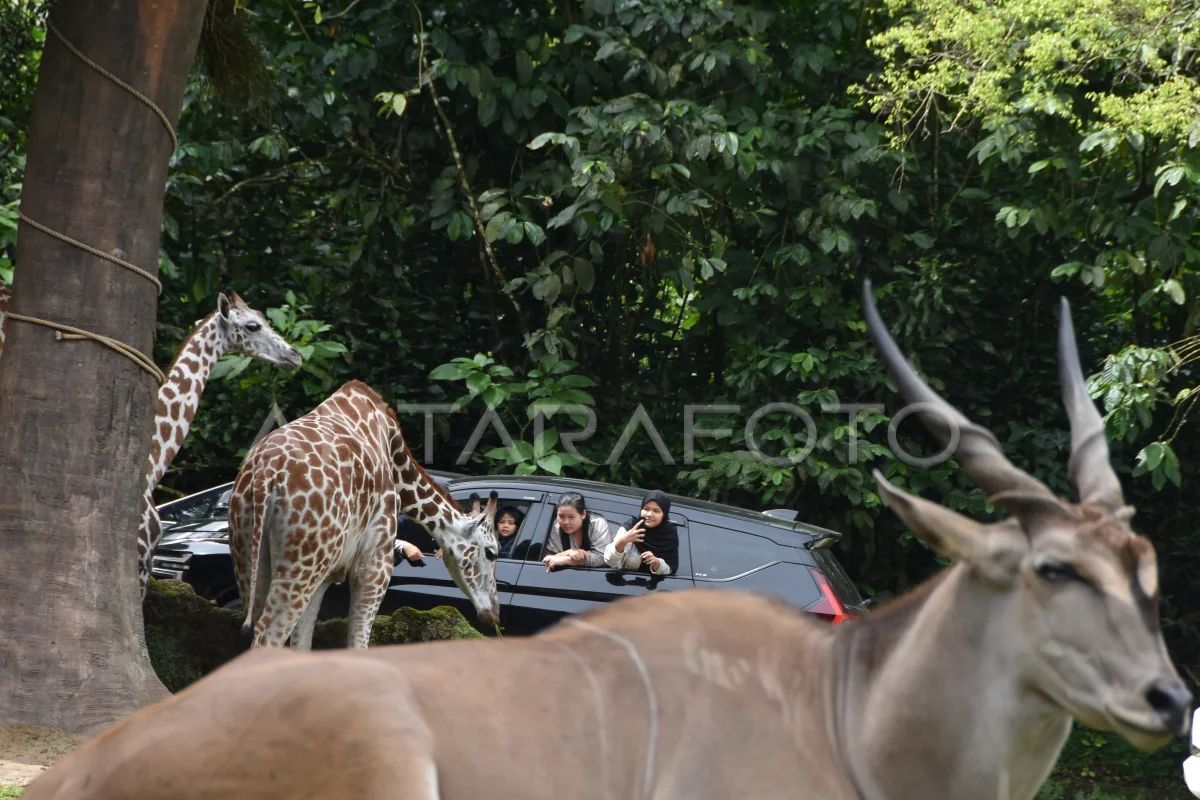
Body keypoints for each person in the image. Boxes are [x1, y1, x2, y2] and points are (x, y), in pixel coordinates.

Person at [604, 490, 678, 576]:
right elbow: (610, 561)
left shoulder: (669, 534)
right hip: (620, 583)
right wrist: (623, 540)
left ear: (664, 514)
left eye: (656, 511)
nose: (649, 514)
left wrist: (656, 562)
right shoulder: (631, 527)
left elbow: (670, 569)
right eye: (646, 509)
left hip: (652, 587)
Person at [541, 492, 612, 571]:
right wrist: (567, 553)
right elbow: (547, 559)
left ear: (583, 514)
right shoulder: (556, 526)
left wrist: (568, 560)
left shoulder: (597, 524)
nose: (566, 522)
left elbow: (602, 557)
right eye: (561, 516)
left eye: (571, 517)